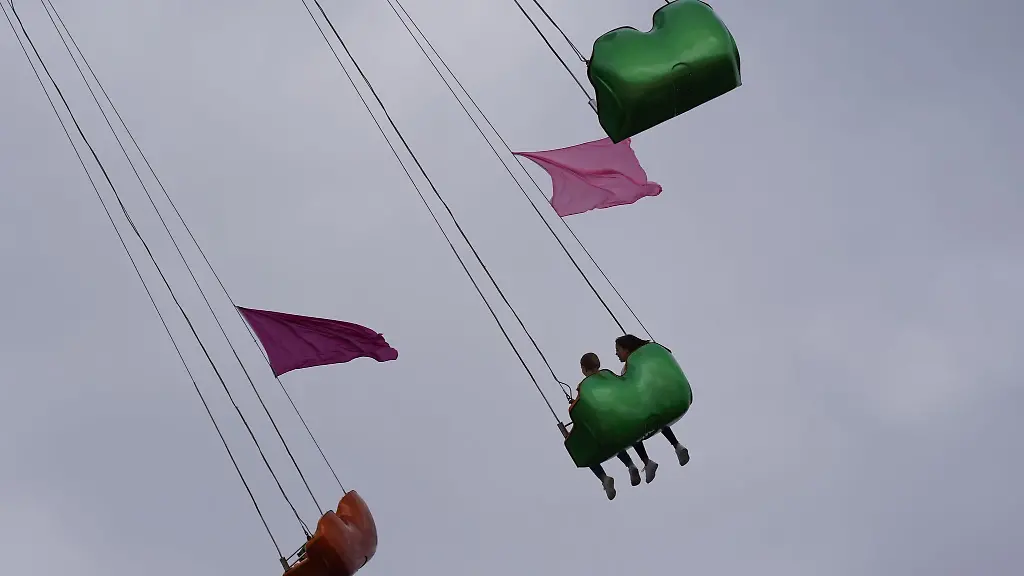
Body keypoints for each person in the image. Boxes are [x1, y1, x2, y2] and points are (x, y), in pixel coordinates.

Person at [573, 353, 657, 494]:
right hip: (623, 416)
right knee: (628, 433)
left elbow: (581, 407)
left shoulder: (584, 387)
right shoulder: (608, 375)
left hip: (607, 426)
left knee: (598, 445)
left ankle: (605, 478)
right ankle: (642, 462)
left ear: (583, 369)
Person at [614, 334, 691, 467]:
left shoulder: (628, 368)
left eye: (618, 349)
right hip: (658, 400)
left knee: (634, 429)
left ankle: (646, 461)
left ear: (626, 349)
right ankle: (677, 445)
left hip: (647, 404)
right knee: (660, 418)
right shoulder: (647, 354)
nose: (616, 353)